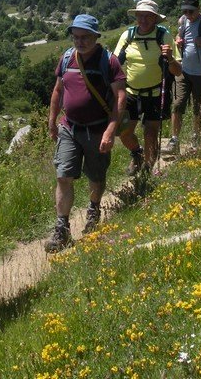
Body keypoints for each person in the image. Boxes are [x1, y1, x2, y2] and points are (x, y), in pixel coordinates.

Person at [44, 14, 126, 253]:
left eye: (85, 37)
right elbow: (58, 91)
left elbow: (120, 97)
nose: (80, 42)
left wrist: (110, 130)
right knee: (63, 175)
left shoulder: (108, 62)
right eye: (76, 37)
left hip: (98, 128)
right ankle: (62, 228)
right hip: (69, 127)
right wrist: (51, 122)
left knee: (96, 175)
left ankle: (93, 208)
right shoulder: (67, 58)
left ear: (95, 37)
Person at [114, 0, 182, 173]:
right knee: (124, 132)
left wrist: (170, 58)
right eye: (140, 16)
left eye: (148, 16)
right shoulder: (128, 35)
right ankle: (137, 153)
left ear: (155, 18)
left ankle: (147, 171)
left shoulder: (163, 35)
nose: (143, 20)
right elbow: (114, 65)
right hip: (130, 93)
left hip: (156, 93)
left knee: (150, 133)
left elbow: (177, 71)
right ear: (136, 16)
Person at [165, 0, 201, 155]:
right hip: (183, 71)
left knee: (198, 107)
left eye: (191, 11)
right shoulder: (182, 21)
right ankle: (174, 140)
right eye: (185, 11)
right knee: (177, 104)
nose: (188, 14)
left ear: (199, 8)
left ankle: (196, 136)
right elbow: (179, 35)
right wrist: (178, 39)